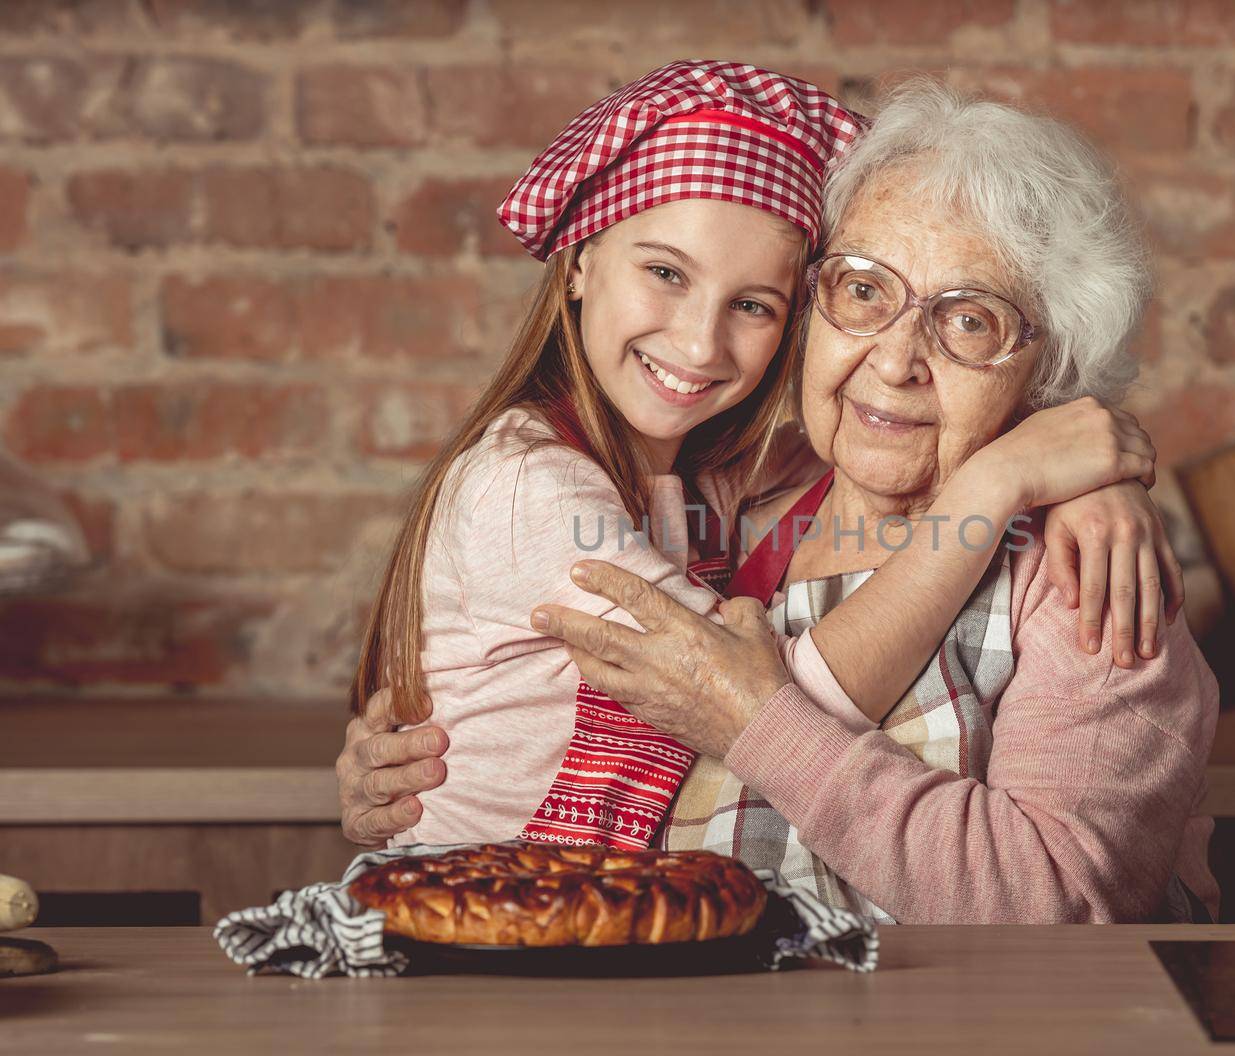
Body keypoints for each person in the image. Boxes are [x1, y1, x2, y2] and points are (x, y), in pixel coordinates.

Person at [345, 63, 1182, 855]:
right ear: (579, 258)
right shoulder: (538, 485)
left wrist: (1092, 473)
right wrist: (1005, 479)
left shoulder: (724, 474)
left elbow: (916, 435)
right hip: (489, 910)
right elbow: (748, 697)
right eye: (665, 272)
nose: (700, 339)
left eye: (751, 304)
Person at [523, 79, 1222, 923]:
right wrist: (409, 758)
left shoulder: (1085, 578)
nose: (895, 362)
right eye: (862, 290)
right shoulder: (715, 498)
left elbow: (1060, 906)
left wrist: (759, 719)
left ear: (1052, 369)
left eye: (971, 322)